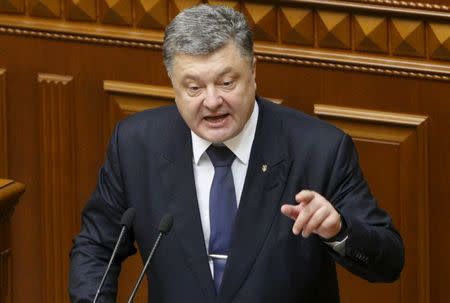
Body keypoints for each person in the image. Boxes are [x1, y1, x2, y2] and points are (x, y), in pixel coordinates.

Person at [69, 4, 404, 303]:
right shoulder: (135, 144)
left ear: (254, 72)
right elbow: (98, 247)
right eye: (194, 88)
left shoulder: (319, 149)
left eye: (227, 83)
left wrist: (339, 231)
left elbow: (388, 261)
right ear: (172, 82)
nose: (212, 101)